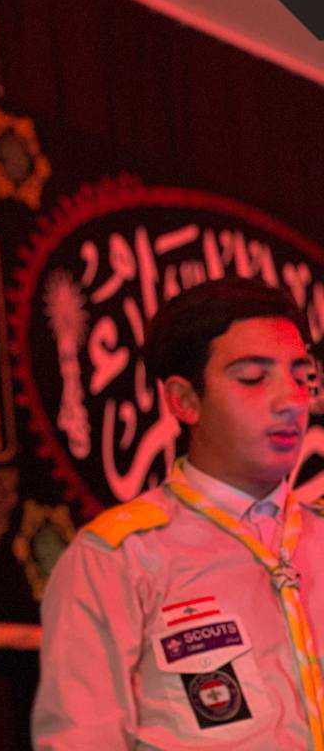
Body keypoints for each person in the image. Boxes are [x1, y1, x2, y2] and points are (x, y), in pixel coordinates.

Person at [32, 278, 324, 749]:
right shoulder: (117, 559)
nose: (291, 401)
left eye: (300, 376)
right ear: (185, 400)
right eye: (253, 378)